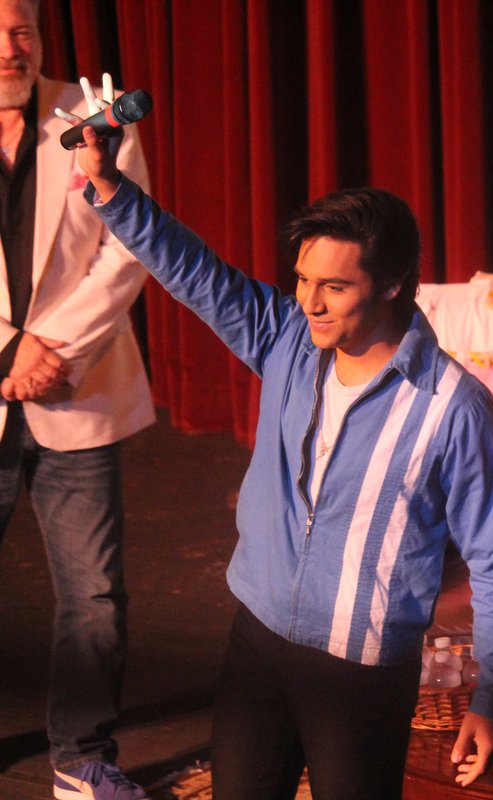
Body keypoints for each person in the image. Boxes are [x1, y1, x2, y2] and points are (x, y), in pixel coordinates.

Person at [70, 89, 493, 797]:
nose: (310, 302)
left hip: (363, 672)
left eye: (335, 288)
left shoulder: (454, 409)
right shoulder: (288, 338)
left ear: (393, 286)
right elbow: (194, 272)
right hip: (257, 641)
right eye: (303, 281)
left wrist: (491, 697)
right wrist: (110, 188)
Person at [0, 2, 154, 797]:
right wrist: (6, 349)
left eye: (22, 29)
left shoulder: (91, 112)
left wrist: (50, 349)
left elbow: (129, 243)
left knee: (93, 595)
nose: (9, 48)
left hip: (76, 383)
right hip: (9, 370)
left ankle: (81, 760)